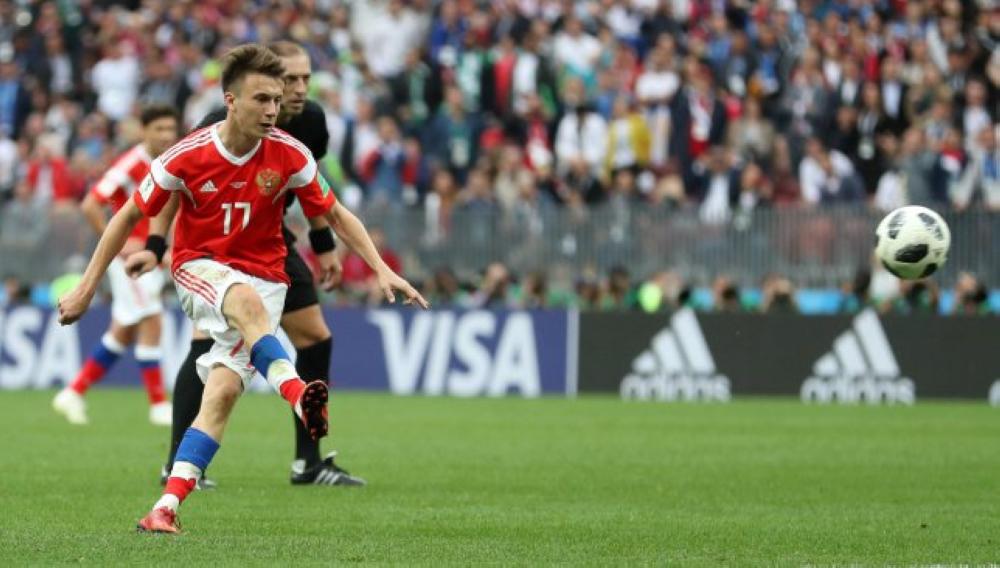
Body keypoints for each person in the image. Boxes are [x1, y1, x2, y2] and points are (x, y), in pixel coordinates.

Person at [56, 44, 428, 534]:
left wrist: (380, 268)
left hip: (268, 275)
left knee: (224, 393)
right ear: (230, 101)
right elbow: (128, 214)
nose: (274, 108)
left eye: (277, 98)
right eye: (262, 99)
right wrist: (88, 287)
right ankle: (298, 393)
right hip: (201, 267)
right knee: (243, 302)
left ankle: (164, 507)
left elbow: (335, 213)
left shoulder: (290, 152)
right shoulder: (187, 154)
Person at [166, 41, 363, 490]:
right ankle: (177, 463)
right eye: (289, 80)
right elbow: (172, 184)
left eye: (305, 79)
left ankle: (308, 463)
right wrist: (159, 243)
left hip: (270, 239)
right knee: (205, 343)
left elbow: (314, 191)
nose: (298, 89)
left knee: (315, 337)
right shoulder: (219, 123)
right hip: (215, 245)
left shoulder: (310, 122)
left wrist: (324, 246)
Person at [52, 104, 179, 426]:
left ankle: (74, 392)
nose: (166, 135)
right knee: (152, 320)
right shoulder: (133, 163)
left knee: (123, 332)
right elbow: (91, 203)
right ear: (144, 131)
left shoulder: (170, 161)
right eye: (159, 129)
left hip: (149, 257)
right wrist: (120, 246)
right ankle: (159, 405)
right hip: (132, 262)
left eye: (170, 128)